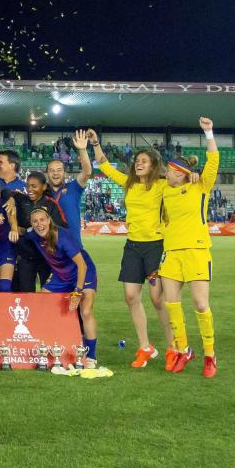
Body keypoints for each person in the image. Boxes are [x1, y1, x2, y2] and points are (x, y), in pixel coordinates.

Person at [90, 130, 174, 369]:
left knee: (158, 300)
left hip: (156, 247)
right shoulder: (129, 184)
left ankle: (172, 348)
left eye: (143, 161)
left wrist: (193, 174)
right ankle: (145, 348)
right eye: (137, 161)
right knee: (130, 297)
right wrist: (95, 143)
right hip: (133, 247)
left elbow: (183, 181)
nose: (138, 164)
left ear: (154, 165)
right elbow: (105, 166)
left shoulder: (162, 185)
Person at [160, 117, 219, 377]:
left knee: (200, 303)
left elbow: (213, 161)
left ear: (179, 173)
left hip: (196, 249)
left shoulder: (200, 186)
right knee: (171, 303)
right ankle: (184, 350)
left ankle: (209, 354)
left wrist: (208, 132)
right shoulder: (164, 189)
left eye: (169, 171)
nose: (166, 173)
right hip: (171, 251)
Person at [27, 208, 99, 368]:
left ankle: (91, 356)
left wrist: (77, 292)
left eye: (42, 220)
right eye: (35, 221)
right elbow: (20, 232)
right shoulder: (34, 235)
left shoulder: (62, 237)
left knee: (86, 310)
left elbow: (82, 265)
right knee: (40, 302)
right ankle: (48, 345)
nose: (39, 224)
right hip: (60, 276)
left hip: (83, 272)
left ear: (49, 220)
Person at [46, 130, 93, 243]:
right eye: (51, 171)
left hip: (73, 247)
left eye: (59, 170)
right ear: (47, 173)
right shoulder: (43, 192)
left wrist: (82, 149)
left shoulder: (74, 188)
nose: (55, 173)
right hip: (50, 248)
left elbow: (87, 172)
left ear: (65, 173)